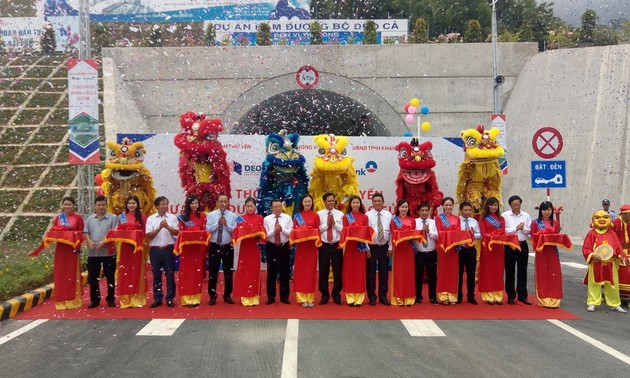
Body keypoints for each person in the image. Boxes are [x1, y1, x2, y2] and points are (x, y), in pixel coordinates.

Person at [583, 210, 627, 313]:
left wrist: (621, 255)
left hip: (610, 264)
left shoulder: (612, 233)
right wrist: (592, 254)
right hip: (596, 264)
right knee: (594, 283)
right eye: (598, 217)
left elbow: (618, 247)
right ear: (593, 220)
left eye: (605, 217)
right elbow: (586, 248)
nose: (602, 219)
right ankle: (592, 302)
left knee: (613, 284)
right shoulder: (591, 234)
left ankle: (615, 304)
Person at [112, 195, 147, 308]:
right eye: (129, 203)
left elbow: (145, 233)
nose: (131, 205)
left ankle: (137, 298)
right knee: (125, 272)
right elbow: (118, 231)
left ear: (137, 204)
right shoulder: (121, 217)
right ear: (126, 205)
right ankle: (125, 300)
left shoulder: (142, 216)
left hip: (137, 248)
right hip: (124, 248)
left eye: (134, 203)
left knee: (137, 271)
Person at [84, 196, 118, 308]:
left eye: (103, 205)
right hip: (93, 253)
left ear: (106, 205)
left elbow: (115, 233)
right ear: (95, 206)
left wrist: (104, 242)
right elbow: (86, 232)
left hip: (109, 252)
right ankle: (95, 299)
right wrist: (89, 242)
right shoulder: (89, 219)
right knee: (92, 277)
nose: (101, 207)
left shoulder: (113, 218)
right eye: (98, 205)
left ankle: (111, 299)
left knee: (110, 276)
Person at [478, 197, 512, 305]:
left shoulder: (501, 219)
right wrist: (491, 237)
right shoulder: (483, 218)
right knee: (488, 270)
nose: (494, 207)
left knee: (498, 271)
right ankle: (489, 295)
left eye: (495, 205)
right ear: (488, 206)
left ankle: (498, 295)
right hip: (487, 247)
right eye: (492, 205)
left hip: (498, 247)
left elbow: (502, 231)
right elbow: (483, 233)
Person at [51, 197, 85, 310]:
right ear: (62, 205)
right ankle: (61, 299)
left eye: (69, 204)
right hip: (61, 249)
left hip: (72, 249)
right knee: (60, 273)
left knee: (72, 273)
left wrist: (73, 237)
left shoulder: (78, 218)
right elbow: (55, 231)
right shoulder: (58, 218)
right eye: (65, 204)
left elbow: (81, 233)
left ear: (73, 205)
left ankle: (73, 299)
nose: (67, 206)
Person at [146, 196, 179, 308]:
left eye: (166, 204)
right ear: (157, 206)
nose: (165, 206)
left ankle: (170, 298)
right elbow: (148, 235)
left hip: (168, 249)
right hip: (155, 251)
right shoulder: (151, 219)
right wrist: (159, 227)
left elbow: (176, 232)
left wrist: (167, 227)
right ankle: (157, 298)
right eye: (162, 204)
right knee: (156, 275)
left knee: (170, 275)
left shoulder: (172, 217)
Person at [233, 196, 265, 306]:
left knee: (254, 271)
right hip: (245, 248)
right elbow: (237, 232)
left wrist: (256, 235)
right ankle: (245, 297)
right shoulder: (240, 219)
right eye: (248, 206)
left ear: (255, 207)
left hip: (255, 248)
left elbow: (263, 233)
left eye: (252, 206)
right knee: (244, 271)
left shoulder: (259, 218)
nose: (250, 208)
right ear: (245, 207)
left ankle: (254, 297)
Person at [530, 201, 563, 308]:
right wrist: (542, 236)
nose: (546, 212)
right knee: (542, 274)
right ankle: (543, 298)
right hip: (542, 252)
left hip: (553, 251)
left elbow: (557, 235)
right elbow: (533, 238)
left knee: (554, 274)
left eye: (549, 210)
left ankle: (554, 297)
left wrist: (557, 216)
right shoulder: (535, 223)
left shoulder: (555, 223)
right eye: (544, 210)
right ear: (540, 211)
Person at [206, 193, 237, 305]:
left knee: (228, 272)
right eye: (221, 201)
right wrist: (217, 224)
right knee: (213, 272)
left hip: (227, 246)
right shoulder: (211, 215)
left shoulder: (232, 215)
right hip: (215, 246)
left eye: (225, 201)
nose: (223, 203)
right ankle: (212, 296)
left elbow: (234, 230)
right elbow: (208, 229)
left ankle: (227, 295)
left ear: (228, 202)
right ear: (217, 202)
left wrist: (227, 225)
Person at [176, 195, 207, 307]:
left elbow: (204, 232)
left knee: (196, 274)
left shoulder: (203, 216)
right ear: (188, 205)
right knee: (186, 274)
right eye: (192, 203)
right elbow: (181, 232)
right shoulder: (183, 217)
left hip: (197, 249)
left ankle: (195, 298)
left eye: (196, 203)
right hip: (186, 250)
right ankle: (186, 299)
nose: (194, 205)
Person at [502, 195, 533, 305]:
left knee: (522, 270)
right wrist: (515, 228)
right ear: (510, 205)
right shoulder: (504, 216)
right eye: (514, 205)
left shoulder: (526, 215)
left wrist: (523, 228)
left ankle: (522, 295)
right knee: (510, 270)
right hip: (510, 245)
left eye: (518, 205)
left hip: (522, 244)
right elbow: (503, 231)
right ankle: (510, 295)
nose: (516, 207)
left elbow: (530, 231)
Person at [341, 195, 371, 306]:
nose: (355, 204)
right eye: (353, 203)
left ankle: (359, 298)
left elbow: (367, 235)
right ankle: (350, 297)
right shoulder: (346, 217)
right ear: (350, 204)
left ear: (360, 204)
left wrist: (367, 249)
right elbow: (344, 231)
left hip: (360, 248)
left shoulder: (364, 217)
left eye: (357, 202)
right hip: (349, 247)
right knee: (349, 271)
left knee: (359, 272)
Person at [291, 195, 321, 307]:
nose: (307, 203)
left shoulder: (315, 216)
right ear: (302, 203)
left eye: (309, 201)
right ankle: (302, 298)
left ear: (311, 203)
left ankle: (310, 298)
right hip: (301, 248)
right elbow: (294, 231)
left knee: (310, 272)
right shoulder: (297, 216)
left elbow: (318, 231)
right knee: (301, 272)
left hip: (311, 248)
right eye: (305, 201)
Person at [263, 199, 293, 304]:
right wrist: (274, 231)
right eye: (276, 206)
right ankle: (271, 297)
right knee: (271, 272)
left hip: (284, 247)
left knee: (284, 272)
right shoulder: (267, 219)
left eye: (280, 206)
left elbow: (290, 233)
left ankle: (284, 297)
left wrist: (282, 230)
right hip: (271, 247)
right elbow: (265, 235)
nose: (278, 208)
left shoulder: (287, 218)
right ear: (271, 208)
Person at [317, 192, 344, 305]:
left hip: (337, 246)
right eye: (329, 201)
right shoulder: (318, 215)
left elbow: (343, 230)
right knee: (323, 271)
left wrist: (334, 224)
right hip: (324, 246)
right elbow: (317, 230)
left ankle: (336, 294)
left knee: (338, 272)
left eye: (333, 200)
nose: (331, 203)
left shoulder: (340, 214)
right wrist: (326, 225)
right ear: (324, 202)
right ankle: (324, 295)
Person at [366, 192, 393, 306]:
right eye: (375, 201)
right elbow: (365, 233)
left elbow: (392, 232)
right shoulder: (367, 215)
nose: (377, 203)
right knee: (371, 273)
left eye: (379, 201)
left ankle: (383, 296)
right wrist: (367, 249)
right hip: (372, 247)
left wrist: (391, 246)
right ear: (372, 203)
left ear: (383, 203)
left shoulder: (388, 215)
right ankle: (372, 296)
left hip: (384, 247)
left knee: (384, 273)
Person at [435, 197, 463, 305]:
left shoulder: (457, 218)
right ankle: (442, 296)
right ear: (443, 206)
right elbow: (439, 233)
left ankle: (451, 295)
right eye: (446, 205)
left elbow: (459, 233)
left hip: (453, 249)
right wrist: (449, 234)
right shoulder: (438, 218)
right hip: (443, 248)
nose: (448, 207)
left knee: (452, 272)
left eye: (450, 205)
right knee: (443, 271)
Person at [390, 199, 417, 306]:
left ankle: (409, 297)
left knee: (409, 273)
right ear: (398, 208)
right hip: (399, 249)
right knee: (399, 273)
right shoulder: (394, 221)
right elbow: (393, 234)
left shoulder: (412, 220)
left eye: (406, 207)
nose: (404, 209)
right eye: (402, 207)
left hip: (409, 249)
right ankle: (399, 298)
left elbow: (414, 235)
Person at [413, 202, 438, 305]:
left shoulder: (433, 222)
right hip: (419, 253)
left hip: (431, 253)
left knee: (432, 276)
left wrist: (429, 232)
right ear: (418, 212)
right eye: (422, 210)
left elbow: (437, 236)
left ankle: (432, 297)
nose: (424, 212)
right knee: (418, 276)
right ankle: (418, 297)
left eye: (426, 210)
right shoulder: (414, 222)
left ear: (429, 211)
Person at [457, 202, 481, 305]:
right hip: (460, 249)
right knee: (459, 273)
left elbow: (479, 235)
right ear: (461, 210)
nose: (467, 212)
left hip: (471, 249)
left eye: (469, 210)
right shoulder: (457, 221)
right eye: (465, 210)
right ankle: (458, 296)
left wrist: (473, 235)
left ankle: (471, 295)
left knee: (471, 273)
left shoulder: (474, 221)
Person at [612, 204, 630, 307]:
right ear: (624, 214)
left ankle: (627, 296)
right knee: (620, 273)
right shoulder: (614, 224)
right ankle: (617, 295)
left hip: (628, 251)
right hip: (618, 252)